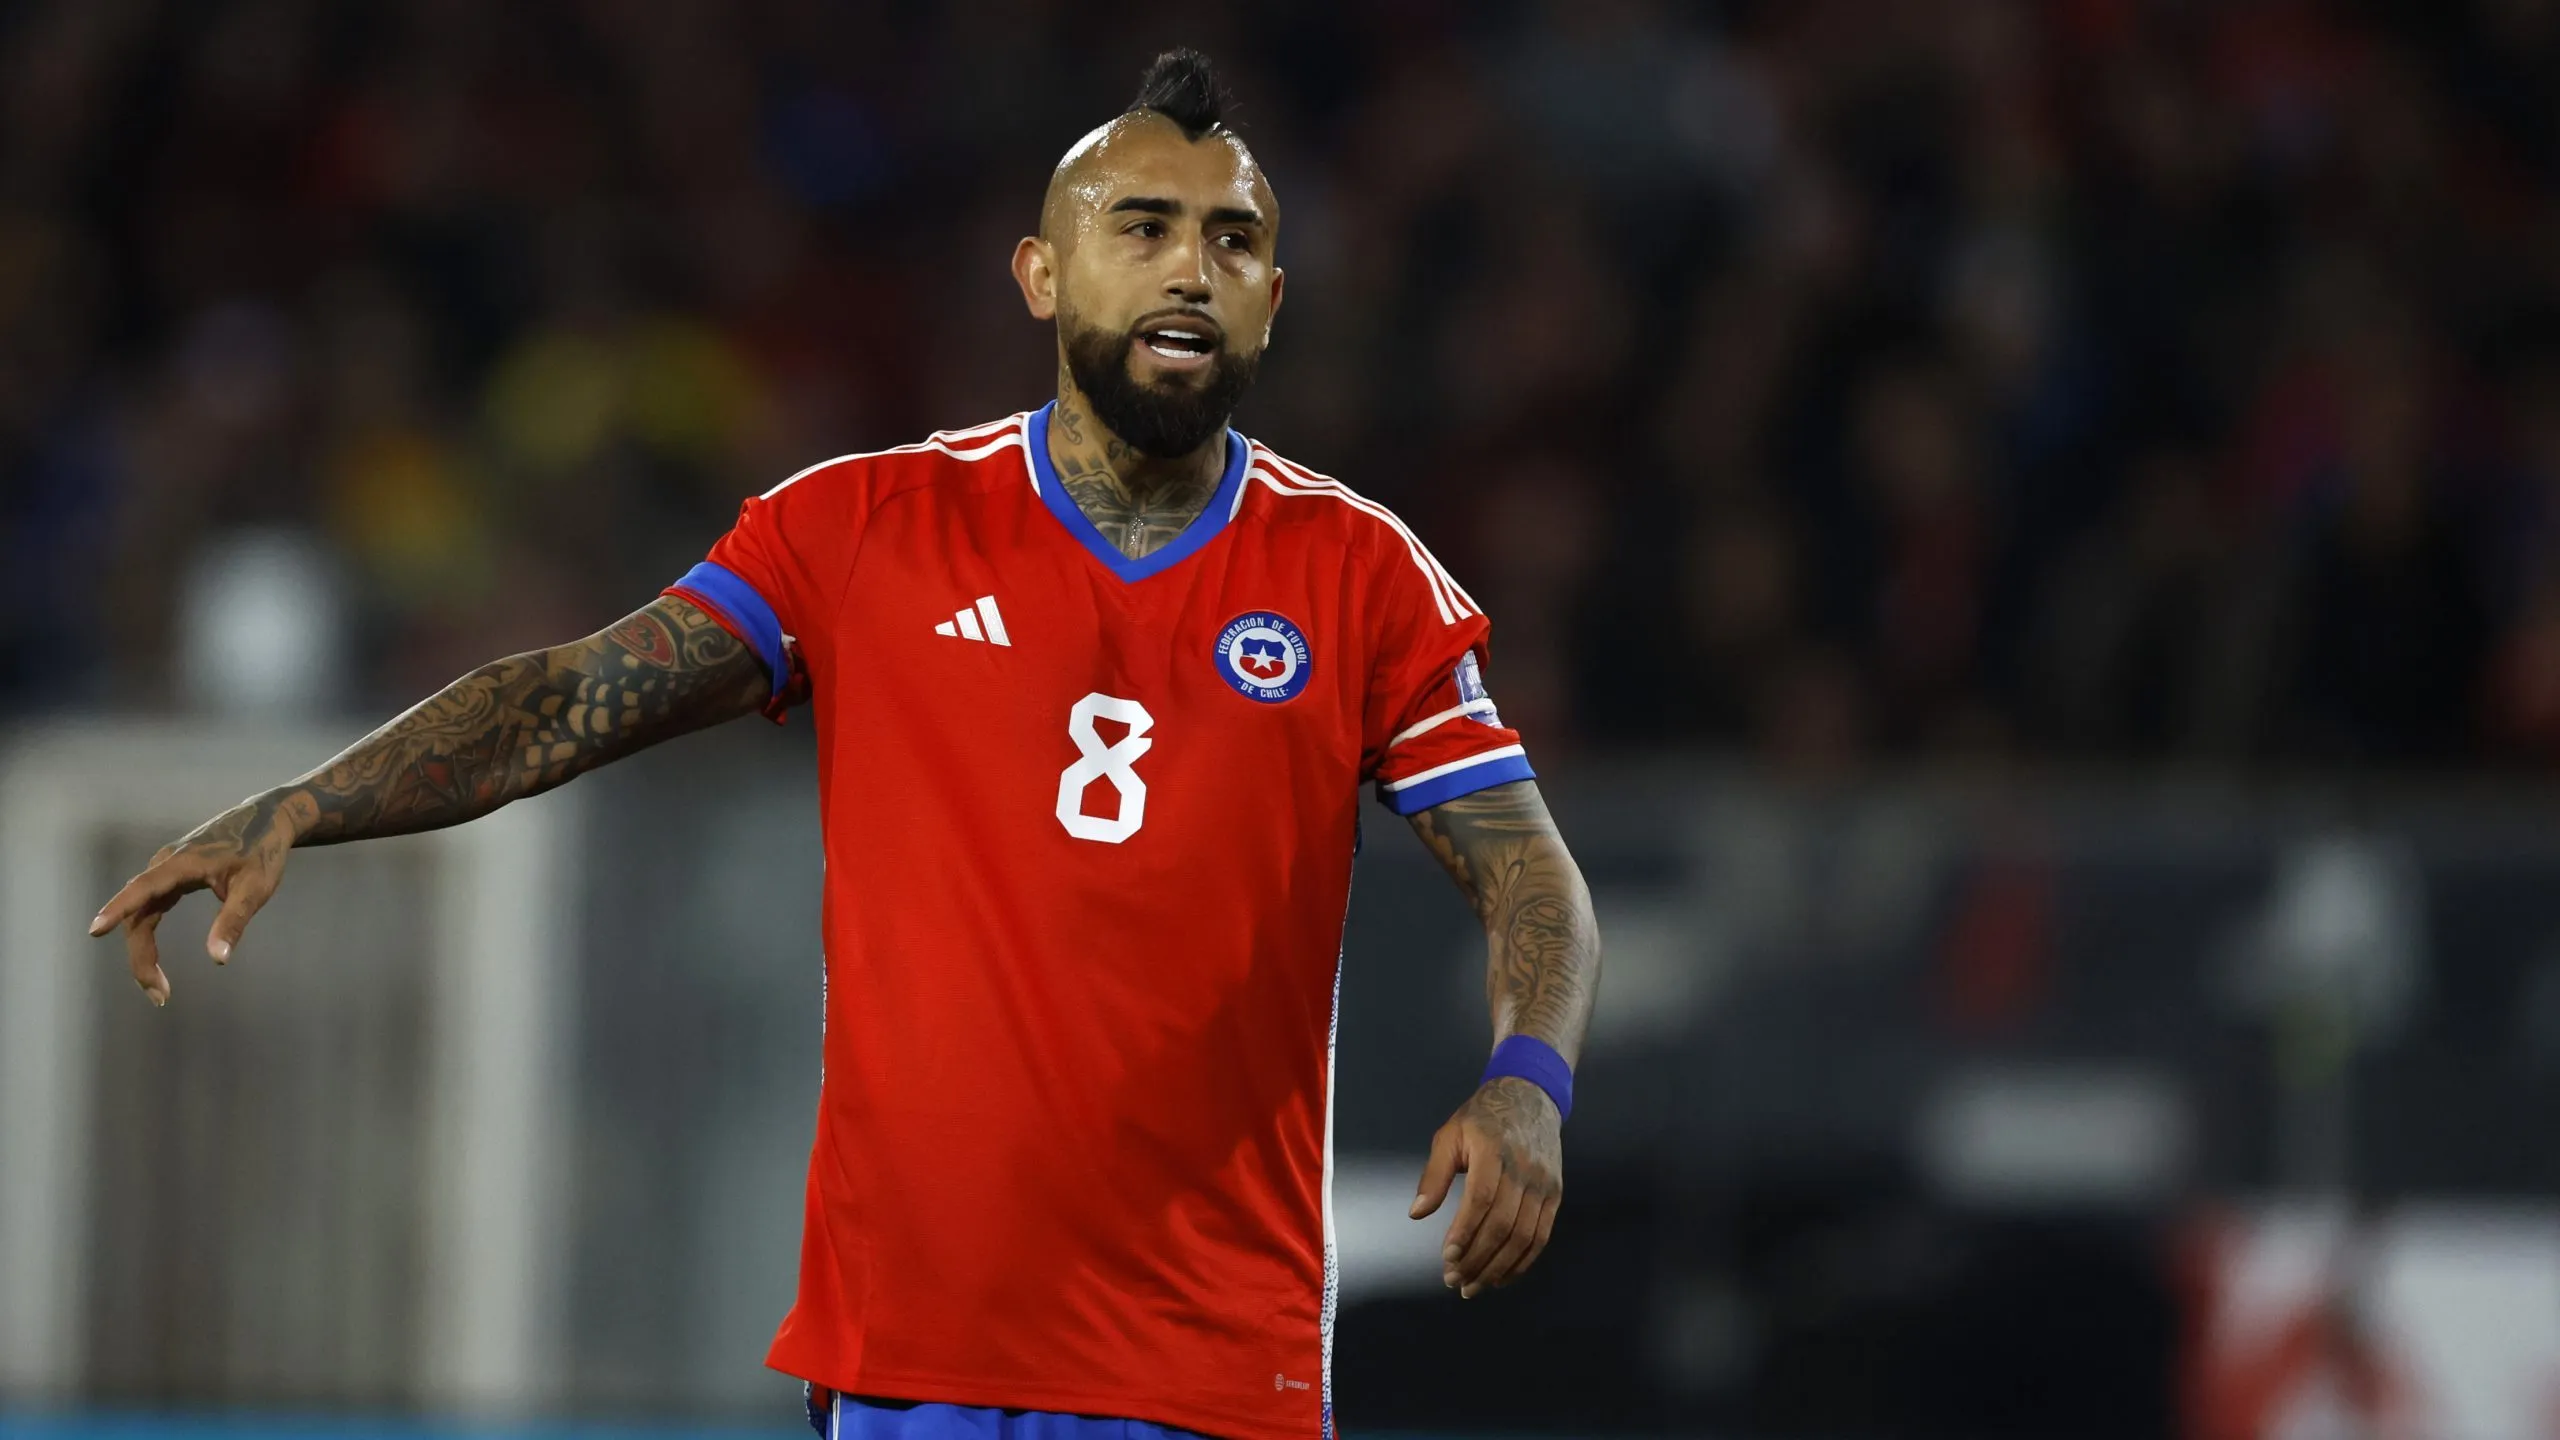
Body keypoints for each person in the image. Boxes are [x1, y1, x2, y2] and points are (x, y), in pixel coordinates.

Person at [88, 50, 1601, 1440]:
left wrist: (1527, 1077)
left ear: (1275, 297)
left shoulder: (1358, 574)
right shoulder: (865, 531)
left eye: (1235, 241)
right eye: (1142, 228)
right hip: (910, 1368)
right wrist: (309, 800)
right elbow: (569, 699)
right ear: (1039, 272)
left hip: (1213, 1367)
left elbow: (1527, 866)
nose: (1191, 272)